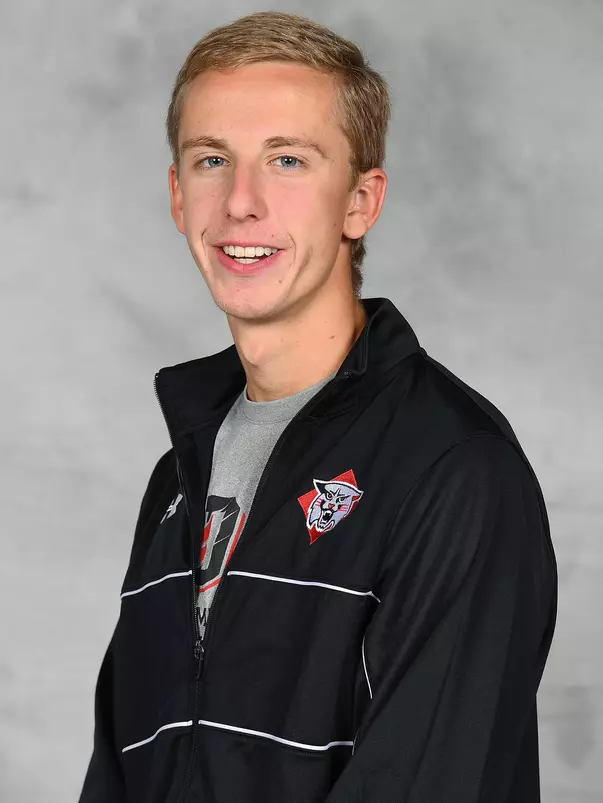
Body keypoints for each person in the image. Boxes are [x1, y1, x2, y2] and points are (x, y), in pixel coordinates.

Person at [78, 10, 558, 803]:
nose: (240, 202)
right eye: (210, 160)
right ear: (176, 194)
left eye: (289, 160)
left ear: (360, 202)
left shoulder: (454, 470)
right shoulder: (178, 478)